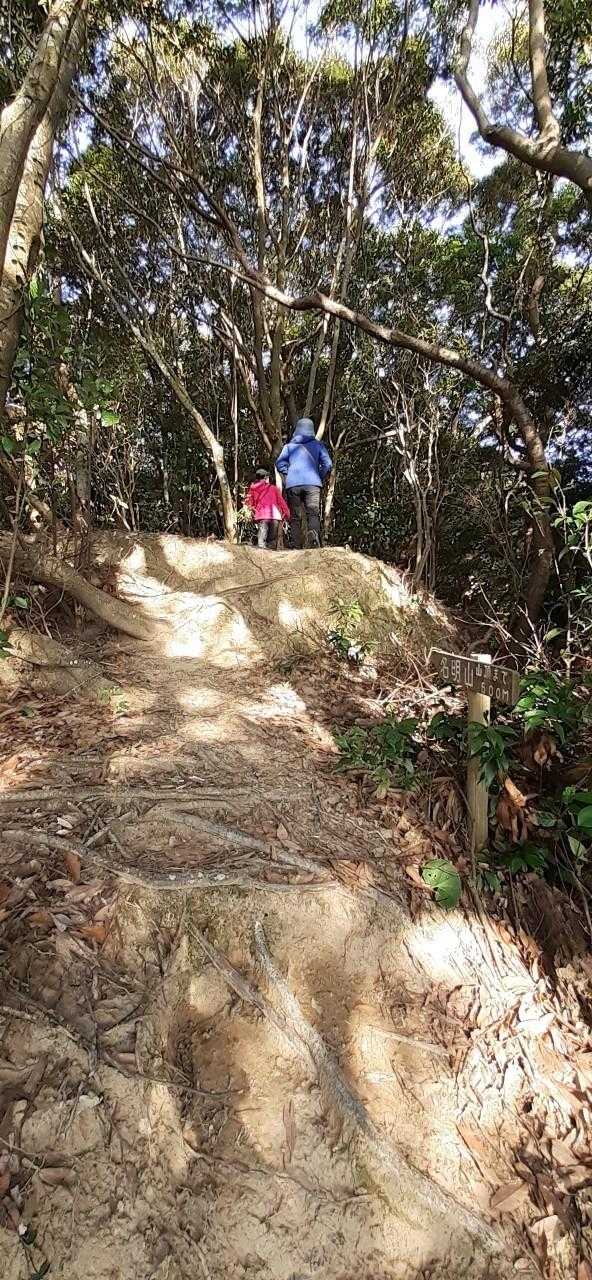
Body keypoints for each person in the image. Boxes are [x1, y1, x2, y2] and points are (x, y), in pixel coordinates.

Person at [276, 417, 332, 549]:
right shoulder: (318, 445)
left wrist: (288, 473)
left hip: (293, 484)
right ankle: (313, 541)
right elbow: (328, 464)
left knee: (295, 517)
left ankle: (296, 546)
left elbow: (279, 463)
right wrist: (319, 475)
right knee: (312, 513)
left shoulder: (289, 447)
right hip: (313, 484)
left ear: (297, 430)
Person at [245, 468, 290, 550]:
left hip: (262, 516)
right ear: (266, 478)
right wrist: (287, 513)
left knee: (261, 539)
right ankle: (271, 554)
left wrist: (252, 511)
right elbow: (281, 502)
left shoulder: (253, 489)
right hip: (275, 516)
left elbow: (249, 502)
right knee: (272, 540)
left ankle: (262, 553)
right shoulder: (273, 488)